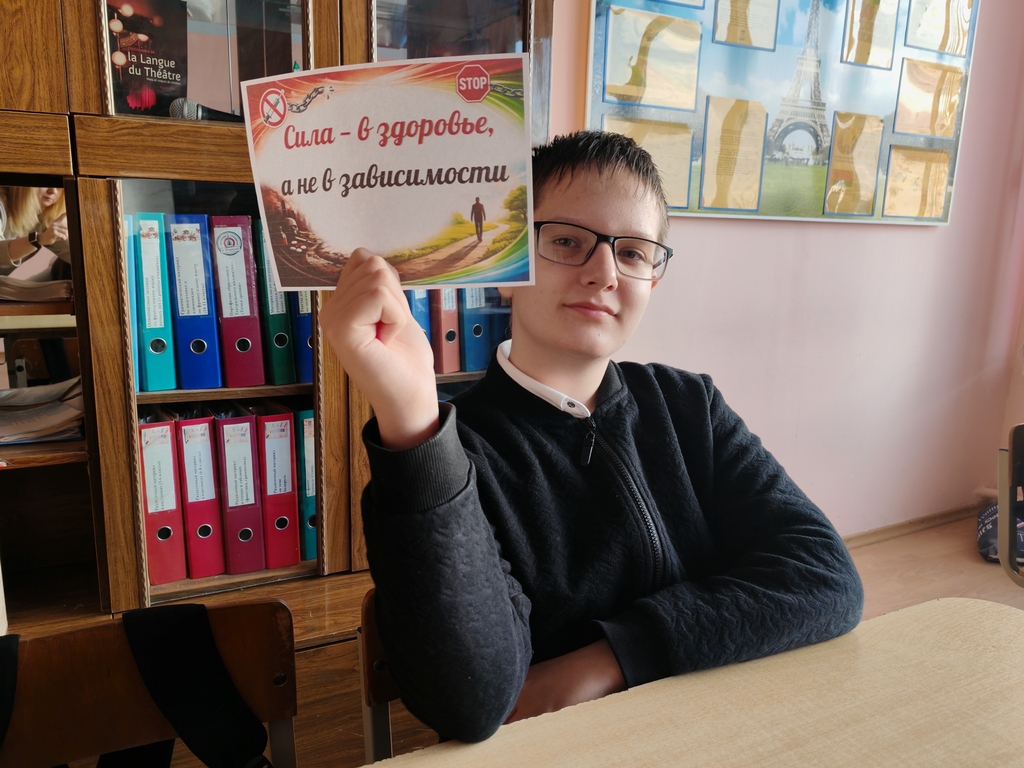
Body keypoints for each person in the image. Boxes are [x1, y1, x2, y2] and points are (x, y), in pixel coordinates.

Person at [320, 131, 863, 744]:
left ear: (652, 280)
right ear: (506, 267)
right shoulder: (451, 452)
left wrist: (610, 659)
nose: (603, 273)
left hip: (725, 730)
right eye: (567, 241)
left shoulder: (690, 406)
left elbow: (826, 576)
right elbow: (473, 700)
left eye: (632, 252)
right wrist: (413, 418)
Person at [0, 186, 69, 277]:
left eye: (59, 186)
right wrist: (39, 239)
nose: (53, 191)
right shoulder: (2, 204)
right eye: (46, 183)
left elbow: (77, 255)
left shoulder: (44, 216)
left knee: (68, 269)